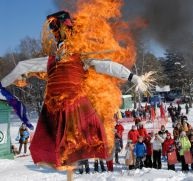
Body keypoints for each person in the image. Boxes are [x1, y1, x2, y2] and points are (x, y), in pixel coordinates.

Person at [1, 10, 149, 170]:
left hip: (77, 107)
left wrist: (133, 77)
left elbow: (108, 66)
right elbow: (22, 66)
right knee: (50, 147)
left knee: (82, 142)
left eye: (65, 44)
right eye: (59, 45)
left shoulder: (81, 59)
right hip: (54, 109)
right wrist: (2, 84)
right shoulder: (50, 61)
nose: (62, 49)